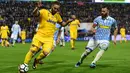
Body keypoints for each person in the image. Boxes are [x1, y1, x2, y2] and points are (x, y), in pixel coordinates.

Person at [19, 1, 72, 72]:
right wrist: (37, 7)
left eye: (57, 9)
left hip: (49, 38)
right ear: (51, 6)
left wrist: (69, 21)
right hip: (39, 35)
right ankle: (25, 64)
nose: (56, 10)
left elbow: (63, 24)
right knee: (33, 50)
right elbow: (35, 14)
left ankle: (36, 60)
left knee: (46, 53)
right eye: (54, 8)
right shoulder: (44, 11)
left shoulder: (57, 16)